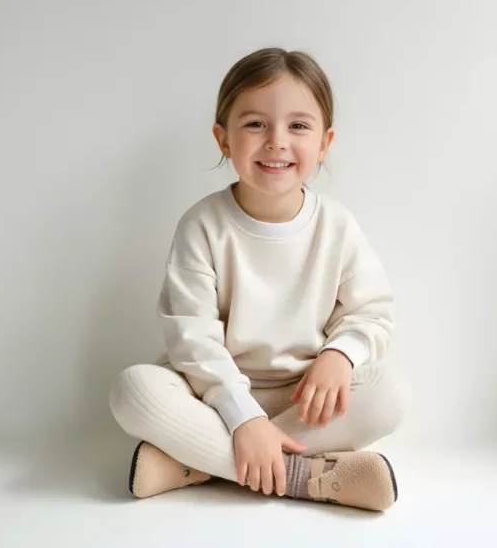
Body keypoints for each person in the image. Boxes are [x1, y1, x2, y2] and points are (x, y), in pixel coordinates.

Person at [109, 47, 411, 512]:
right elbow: (192, 338)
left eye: (298, 126)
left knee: (390, 393)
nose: (276, 141)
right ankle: (305, 476)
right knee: (133, 390)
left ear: (325, 142)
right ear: (223, 139)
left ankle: (197, 464)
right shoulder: (202, 225)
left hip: (304, 398)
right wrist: (242, 417)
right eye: (255, 124)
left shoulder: (336, 226)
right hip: (213, 395)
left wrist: (339, 355)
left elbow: (371, 312)